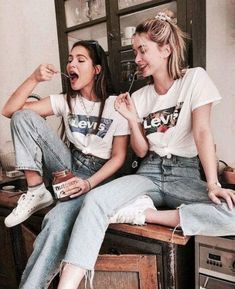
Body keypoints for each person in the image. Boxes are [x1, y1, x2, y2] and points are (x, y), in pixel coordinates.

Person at [51, 11, 235, 289]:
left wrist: (212, 183)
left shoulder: (195, 79)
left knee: (231, 213)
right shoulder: (139, 96)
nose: (136, 58)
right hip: (148, 172)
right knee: (96, 201)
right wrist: (132, 120)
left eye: (142, 50)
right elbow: (140, 151)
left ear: (166, 49)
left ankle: (144, 214)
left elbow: (202, 132)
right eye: (135, 50)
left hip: (183, 174)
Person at [1, 40, 130, 229]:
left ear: (96, 69)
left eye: (80, 60)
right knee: (21, 116)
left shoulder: (116, 105)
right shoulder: (65, 101)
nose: (71, 64)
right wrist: (34, 78)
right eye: (70, 60)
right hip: (69, 164)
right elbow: (9, 110)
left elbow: (119, 157)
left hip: (99, 175)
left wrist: (88, 183)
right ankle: (36, 190)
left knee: (55, 221)